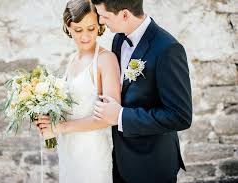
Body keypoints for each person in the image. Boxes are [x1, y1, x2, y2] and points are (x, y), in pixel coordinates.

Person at [91, 0, 193, 182]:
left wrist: (121, 116)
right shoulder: (119, 39)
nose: (100, 21)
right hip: (121, 160)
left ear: (124, 14)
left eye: (104, 16)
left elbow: (180, 116)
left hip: (152, 164)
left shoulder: (168, 49)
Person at [36, 0, 120, 183]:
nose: (85, 37)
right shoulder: (72, 59)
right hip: (68, 150)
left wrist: (60, 127)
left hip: (92, 154)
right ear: (68, 27)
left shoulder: (106, 60)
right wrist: (47, 118)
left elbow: (109, 118)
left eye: (91, 28)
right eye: (78, 30)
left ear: (99, 25)